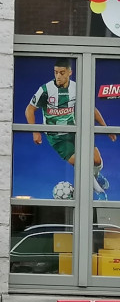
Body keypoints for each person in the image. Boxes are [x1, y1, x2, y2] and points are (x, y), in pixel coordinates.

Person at [25, 58, 116, 199]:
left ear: (70, 73)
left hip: (75, 132)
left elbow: (91, 109)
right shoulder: (45, 90)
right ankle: (100, 194)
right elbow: (29, 110)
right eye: (56, 72)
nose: (58, 76)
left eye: (62, 73)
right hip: (57, 138)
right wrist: (35, 131)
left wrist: (105, 128)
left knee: (96, 160)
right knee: (81, 164)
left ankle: (97, 175)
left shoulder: (76, 88)